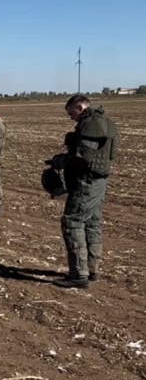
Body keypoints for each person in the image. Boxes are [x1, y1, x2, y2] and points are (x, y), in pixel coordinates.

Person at [50, 95, 118, 288]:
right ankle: (92, 270)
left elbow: (83, 158)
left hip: (86, 183)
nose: (71, 118)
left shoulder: (91, 124)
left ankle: (78, 274)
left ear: (80, 107)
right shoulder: (105, 122)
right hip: (98, 182)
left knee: (73, 222)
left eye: (72, 113)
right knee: (92, 224)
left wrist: (61, 161)